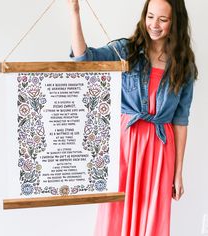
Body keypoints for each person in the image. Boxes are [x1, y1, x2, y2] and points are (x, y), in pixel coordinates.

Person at [68, 0, 198, 235]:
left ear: (175, 22)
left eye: (163, 19)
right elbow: (84, 61)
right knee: (114, 214)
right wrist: (74, 12)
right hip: (124, 146)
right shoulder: (126, 50)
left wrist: (178, 173)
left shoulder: (184, 66)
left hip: (160, 152)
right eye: (150, 16)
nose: (154, 25)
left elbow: (181, 121)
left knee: (152, 218)